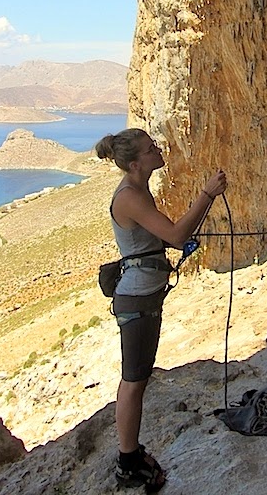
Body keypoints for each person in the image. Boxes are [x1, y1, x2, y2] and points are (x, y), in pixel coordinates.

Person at [95, 128, 227, 492]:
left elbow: (159, 237)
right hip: (137, 299)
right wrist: (207, 195)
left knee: (138, 378)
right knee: (134, 381)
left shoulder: (138, 189)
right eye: (151, 149)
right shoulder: (130, 197)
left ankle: (131, 455)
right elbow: (174, 234)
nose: (158, 150)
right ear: (136, 163)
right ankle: (127, 461)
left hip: (143, 295)